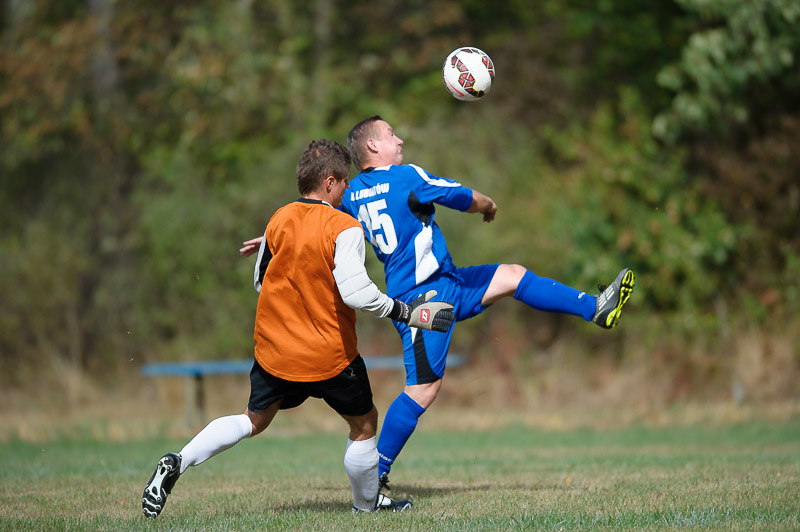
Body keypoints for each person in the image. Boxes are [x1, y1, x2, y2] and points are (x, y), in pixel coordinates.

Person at [141, 139, 455, 518]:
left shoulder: (279, 217)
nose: (346, 191)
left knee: (251, 420)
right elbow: (357, 294)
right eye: (343, 183)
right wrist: (404, 312)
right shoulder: (345, 226)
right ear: (329, 183)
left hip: (276, 352)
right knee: (365, 423)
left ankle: (178, 460)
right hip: (329, 356)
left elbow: (261, 280)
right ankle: (365, 506)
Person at [337, 116, 636, 494]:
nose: (399, 139)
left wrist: (271, 238)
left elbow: (314, 219)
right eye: (391, 134)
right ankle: (374, 473)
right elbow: (457, 195)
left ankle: (596, 308)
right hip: (422, 301)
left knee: (512, 275)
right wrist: (486, 204)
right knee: (423, 389)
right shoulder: (405, 176)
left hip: (449, 283)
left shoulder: (348, 196)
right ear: (373, 147)